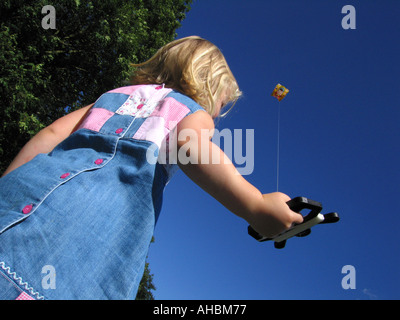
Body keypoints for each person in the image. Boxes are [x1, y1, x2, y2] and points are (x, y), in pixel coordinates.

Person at [0, 36, 303, 300]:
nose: (219, 114)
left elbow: (49, 135)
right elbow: (191, 146)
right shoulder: (191, 112)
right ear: (208, 88)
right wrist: (255, 204)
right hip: (78, 241)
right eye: (222, 104)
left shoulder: (112, 96)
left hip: (16, 203)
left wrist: (8, 186)